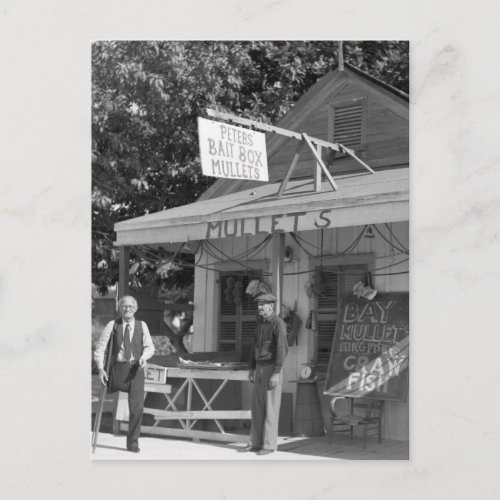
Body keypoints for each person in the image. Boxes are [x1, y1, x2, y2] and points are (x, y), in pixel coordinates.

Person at [94, 295, 155, 453]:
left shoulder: (142, 325)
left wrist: (143, 358)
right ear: (119, 309)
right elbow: (100, 348)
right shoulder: (112, 325)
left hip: (135, 370)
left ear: (136, 308)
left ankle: (133, 442)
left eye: (130, 306)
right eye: (124, 306)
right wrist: (101, 369)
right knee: (106, 398)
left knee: (137, 408)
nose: (127, 309)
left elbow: (150, 347)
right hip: (117, 370)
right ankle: (96, 434)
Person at [241, 293, 288, 456]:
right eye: (258, 304)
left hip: (272, 369)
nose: (260, 307)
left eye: (263, 304)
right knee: (257, 407)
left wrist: (276, 372)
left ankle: (268, 445)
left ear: (271, 306)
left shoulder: (278, 324)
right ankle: (255, 442)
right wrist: (252, 368)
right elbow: (254, 347)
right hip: (259, 368)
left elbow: (282, 350)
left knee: (271, 408)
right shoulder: (259, 324)